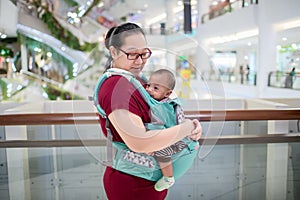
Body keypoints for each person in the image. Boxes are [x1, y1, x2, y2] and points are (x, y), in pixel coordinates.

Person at [96, 22, 202, 200]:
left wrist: (185, 123)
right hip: (132, 182)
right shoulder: (118, 88)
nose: (139, 61)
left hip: (147, 178)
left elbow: (158, 117)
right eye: (131, 54)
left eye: (144, 53)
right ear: (113, 52)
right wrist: (188, 128)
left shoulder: (138, 82)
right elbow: (140, 143)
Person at [145, 69, 188, 191]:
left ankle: (168, 177)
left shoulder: (161, 107)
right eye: (149, 85)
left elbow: (157, 127)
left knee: (161, 153)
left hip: (173, 140)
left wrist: (150, 145)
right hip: (167, 136)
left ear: (168, 93)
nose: (149, 90)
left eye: (156, 88)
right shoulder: (162, 103)